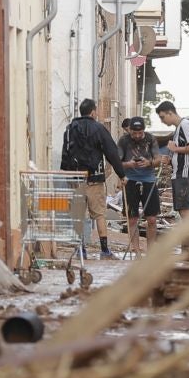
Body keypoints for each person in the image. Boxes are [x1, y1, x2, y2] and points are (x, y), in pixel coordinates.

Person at [59, 98, 126, 259]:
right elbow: (111, 152)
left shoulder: (70, 129)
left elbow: (65, 154)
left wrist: (68, 175)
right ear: (93, 112)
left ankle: (81, 250)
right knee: (99, 214)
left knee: (78, 215)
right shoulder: (99, 129)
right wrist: (121, 174)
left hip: (75, 179)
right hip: (95, 179)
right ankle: (104, 251)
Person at [157, 100, 189, 261]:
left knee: (185, 211)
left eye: (163, 117)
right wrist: (171, 159)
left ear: (170, 113)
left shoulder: (185, 125)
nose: (162, 121)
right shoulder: (179, 129)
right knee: (183, 211)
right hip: (180, 174)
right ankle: (187, 250)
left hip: (186, 175)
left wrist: (175, 149)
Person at [119, 115, 163, 252]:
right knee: (132, 219)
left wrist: (149, 163)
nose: (137, 135)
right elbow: (116, 162)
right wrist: (129, 164)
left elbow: (158, 159)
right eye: (134, 133)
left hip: (149, 180)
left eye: (140, 132)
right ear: (129, 130)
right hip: (130, 181)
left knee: (151, 219)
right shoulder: (123, 141)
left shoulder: (150, 139)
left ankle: (150, 252)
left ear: (144, 130)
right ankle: (136, 250)